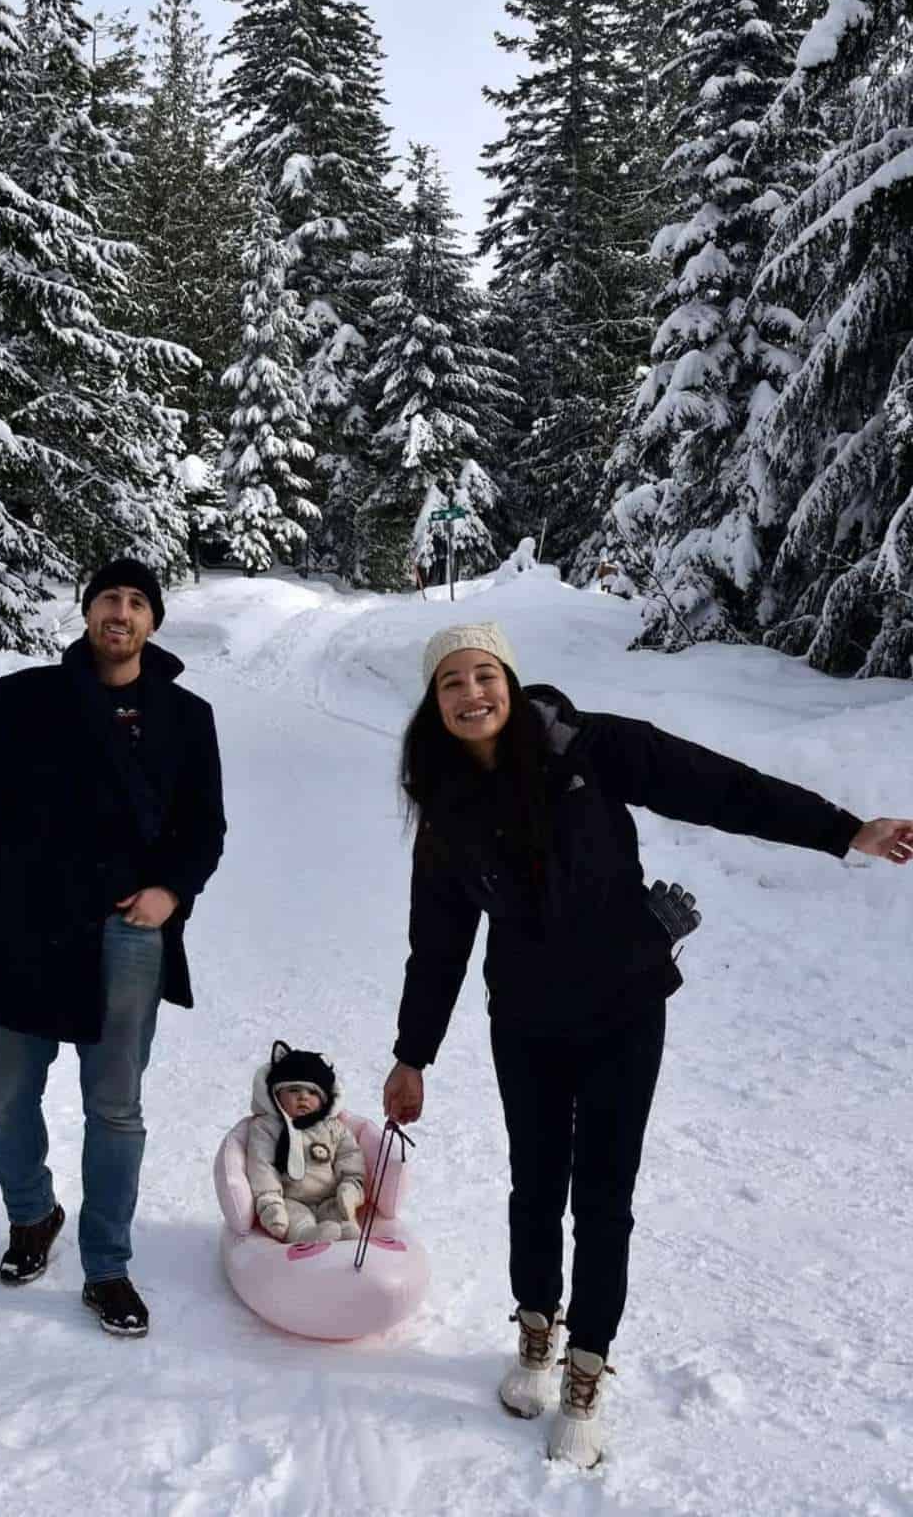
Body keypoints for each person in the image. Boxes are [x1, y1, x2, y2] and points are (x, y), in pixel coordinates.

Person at [382, 620, 912, 1468]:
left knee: (602, 1195)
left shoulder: (591, 747)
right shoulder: (447, 809)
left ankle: (585, 1372)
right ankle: (534, 1334)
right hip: (523, 1021)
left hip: (625, 1009)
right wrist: (414, 1053)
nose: (471, 693)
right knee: (532, 1186)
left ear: (511, 683)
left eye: (484, 674)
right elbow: (437, 942)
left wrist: (843, 829)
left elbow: (722, 788)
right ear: (433, 704)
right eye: (450, 683)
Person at [0, 558, 226, 1339]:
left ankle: (107, 1264)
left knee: (115, 1108)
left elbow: (203, 827)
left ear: (153, 622)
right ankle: (32, 1216)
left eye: (138, 602)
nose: (123, 612)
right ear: (86, 610)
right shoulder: (20, 698)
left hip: (126, 933)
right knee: (4, 1100)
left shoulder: (186, 716)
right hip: (21, 929)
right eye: (110, 597)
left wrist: (170, 894)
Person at [246, 1041, 367, 1243]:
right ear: (276, 1095)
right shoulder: (267, 1127)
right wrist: (271, 1204)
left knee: (342, 1217)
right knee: (297, 1220)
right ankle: (307, 1238)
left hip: (330, 1198)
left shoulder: (332, 1127)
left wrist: (350, 1187)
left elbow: (349, 1155)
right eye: (293, 1090)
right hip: (291, 1200)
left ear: (324, 1100)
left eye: (312, 1093)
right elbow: (261, 1166)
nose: (303, 1097)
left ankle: (349, 1238)